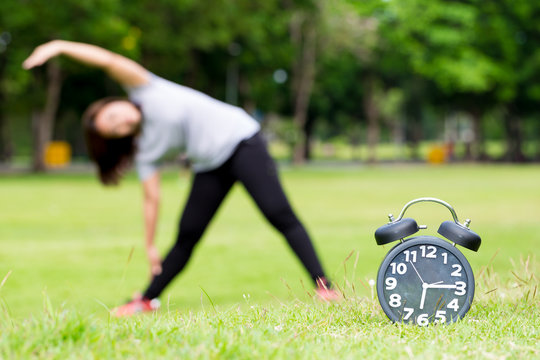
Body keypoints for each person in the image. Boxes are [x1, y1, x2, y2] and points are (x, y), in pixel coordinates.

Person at [23, 40, 339, 316]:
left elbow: (108, 61)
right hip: (209, 163)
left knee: (279, 214)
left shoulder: (144, 87)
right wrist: (148, 245)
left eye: (114, 115)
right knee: (187, 234)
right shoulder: (146, 149)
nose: (121, 122)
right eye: (115, 129)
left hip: (242, 140)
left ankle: (325, 287)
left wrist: (60, 47)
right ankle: (146, 300)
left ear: (115, 102)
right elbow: (151, 197)